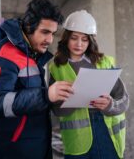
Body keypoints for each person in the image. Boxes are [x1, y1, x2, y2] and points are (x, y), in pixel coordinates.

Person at [0, 0, 74, 159]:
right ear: (29, 28)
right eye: (45, 32)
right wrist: (46, 95)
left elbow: (30, 101)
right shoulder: (1, 54)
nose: (50, 40)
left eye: (52, 33)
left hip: (33, 149)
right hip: (8, 152)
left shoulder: (32, 55)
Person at [49, 10, 129, 159]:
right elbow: (56, 110)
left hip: (106, 133)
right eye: (74, 38)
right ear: (66, 38)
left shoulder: (103, 62)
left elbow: (124, 99)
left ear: (90, 41)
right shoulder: (56, 67)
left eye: (84, 39)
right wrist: (73, 100)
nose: (79, 44)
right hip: (76, 138)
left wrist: (109, 105)